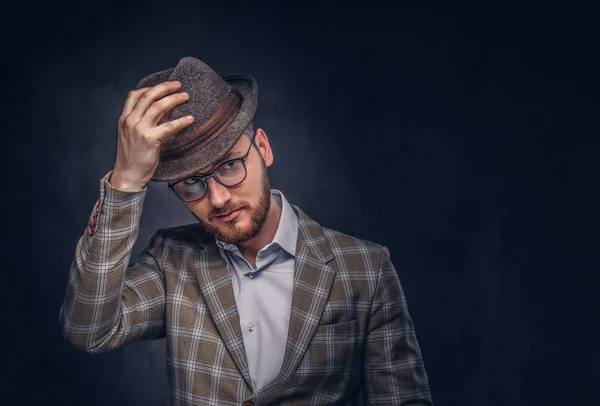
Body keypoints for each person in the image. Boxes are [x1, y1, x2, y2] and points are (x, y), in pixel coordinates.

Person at [58, 56, 433, 405]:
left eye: (230, 166)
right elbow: (88, 329)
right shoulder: (172, 260)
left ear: (263, 149)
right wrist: (125, 181)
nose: (218, 198)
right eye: (192, 184)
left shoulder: (365, 268)